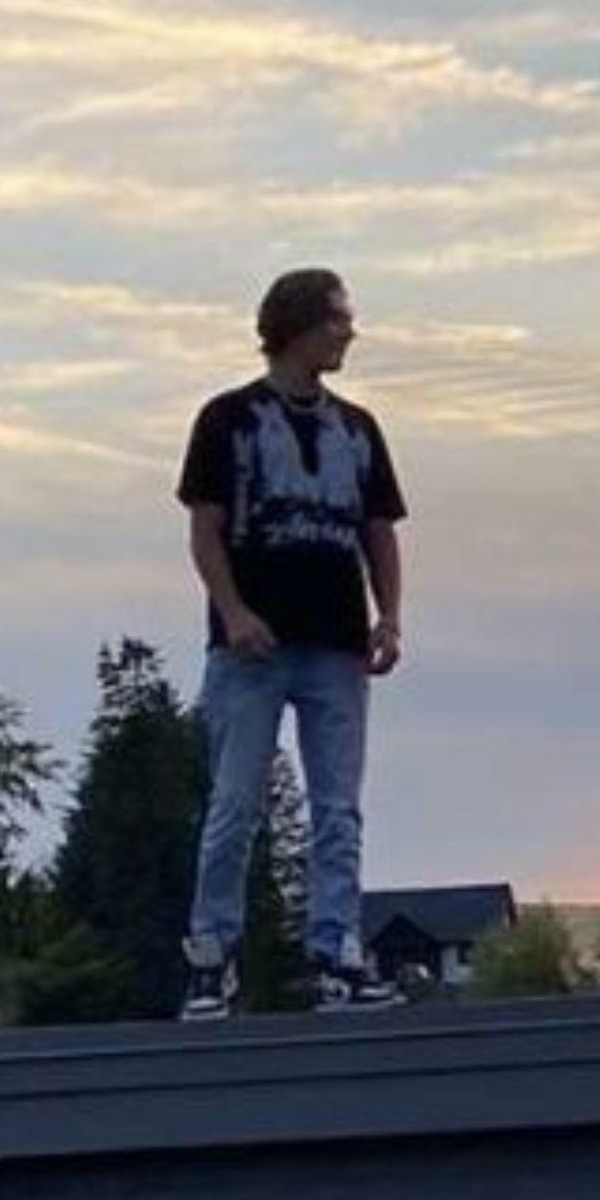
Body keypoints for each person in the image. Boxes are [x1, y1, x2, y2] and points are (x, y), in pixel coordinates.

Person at [175, 265, 408, 1017]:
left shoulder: (358, 430)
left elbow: (379, 532)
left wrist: (389, 616)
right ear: (300, 326)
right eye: (338, 319)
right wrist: (234, 612)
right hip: (251, 651)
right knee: (235, 807)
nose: (349, 332)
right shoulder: (228, 420)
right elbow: (205, 531)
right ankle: (211, 956)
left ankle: (336, 951)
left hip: (336, 645)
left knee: (338, 808)